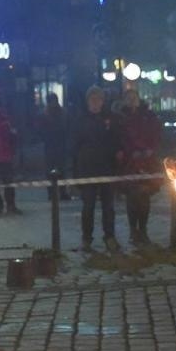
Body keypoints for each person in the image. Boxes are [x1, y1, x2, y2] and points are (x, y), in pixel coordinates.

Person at [70, 85, 120, 252]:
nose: (95, 102)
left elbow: (116, 141)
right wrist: (76, 172)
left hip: (106, 168)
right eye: (92, 99)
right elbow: (74, 147)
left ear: (102, 101)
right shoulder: (80, 120)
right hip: (87, 169)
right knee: (88, 207)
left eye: (98, 99)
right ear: (88, 101)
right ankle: (87, 238)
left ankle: (109, 236)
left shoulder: (110, 119)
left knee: (108, 207)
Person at [114, 89, 164, 246]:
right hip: (130, 162)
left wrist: (150, 150)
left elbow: (156, 134)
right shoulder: (120, 118)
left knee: (144, 196)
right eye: (128, 98)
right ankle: (133, 230)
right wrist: (130, 152)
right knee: (132, 196)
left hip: (147, 162)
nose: (132, 100)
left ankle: (142, 230)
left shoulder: (148, 116)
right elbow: (119, 138)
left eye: (134, 97)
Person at [41, 93, 70, 200]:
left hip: (60, 144)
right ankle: (52, 193)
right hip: (50, 145)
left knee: (62, 170)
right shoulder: (45, 115)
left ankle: (62, 192)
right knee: (50, 171)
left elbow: (67, 127)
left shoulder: (62, 113)